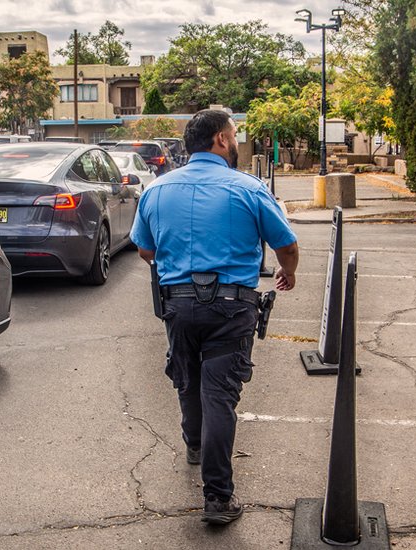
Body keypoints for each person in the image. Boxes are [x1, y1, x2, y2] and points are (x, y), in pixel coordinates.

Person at [130, 109, 299, 525]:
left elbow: (145, 250)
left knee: (186, 376)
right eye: (235, 136)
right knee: (220, 395)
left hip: (179, 304)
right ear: (221, 140)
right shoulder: (249, 188)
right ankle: (218, 499)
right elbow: (286, 244)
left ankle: (194, 444)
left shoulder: (157, 190)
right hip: (232, 305)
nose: (237, 143)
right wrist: (287, 271)